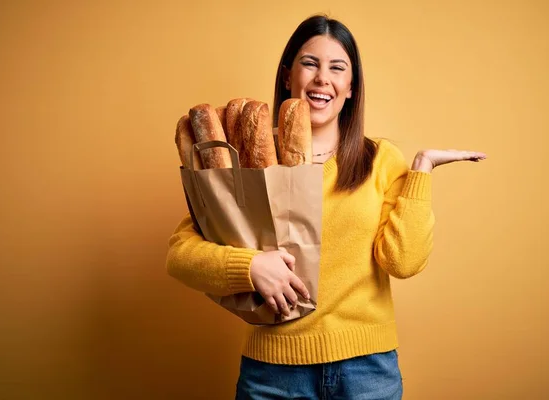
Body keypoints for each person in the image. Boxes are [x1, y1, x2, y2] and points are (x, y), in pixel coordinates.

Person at [166, 14, 486, 400]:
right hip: (272, 374)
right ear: (288, 76)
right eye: (309, 63)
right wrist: (249, 267)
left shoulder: (379, 159)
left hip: (368, 371)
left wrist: (421, 169)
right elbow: (180, 255)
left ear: (350, 87)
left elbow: (404, 262)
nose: (322, 79)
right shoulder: (248, 159)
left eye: (337, 68)